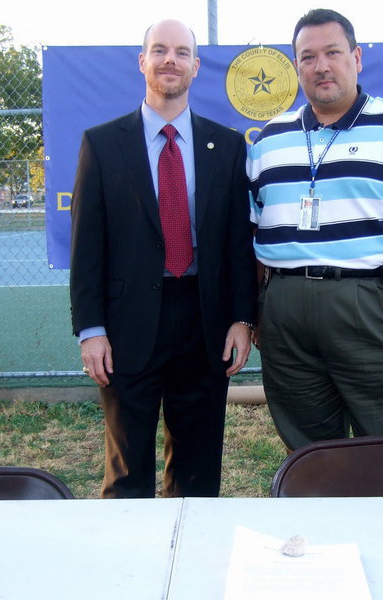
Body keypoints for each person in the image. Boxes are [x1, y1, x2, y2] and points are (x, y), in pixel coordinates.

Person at [248, 9, 383, 451]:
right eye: (308, 57)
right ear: (296, 67)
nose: (321, 66)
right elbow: (252, 233)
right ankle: (317, 500)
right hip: (285, 313)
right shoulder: (269, 140)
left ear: (357, 57)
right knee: (308, 450)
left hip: (374, 308)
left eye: (333, 52)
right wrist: (255, 312)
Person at [70, 19, 257, 498]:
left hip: (204, 322)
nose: (170, 60)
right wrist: (91, 330)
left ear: (196, 66)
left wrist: (242, 319)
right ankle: (129, 544)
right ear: (142, 62)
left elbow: (238, 242)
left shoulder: (227, 146)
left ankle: (192, 540)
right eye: (159, 50)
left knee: (198, 472)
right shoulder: (103, 143)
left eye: (181, 52)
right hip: (127, 324)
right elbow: (86, 246)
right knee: (127, 471)